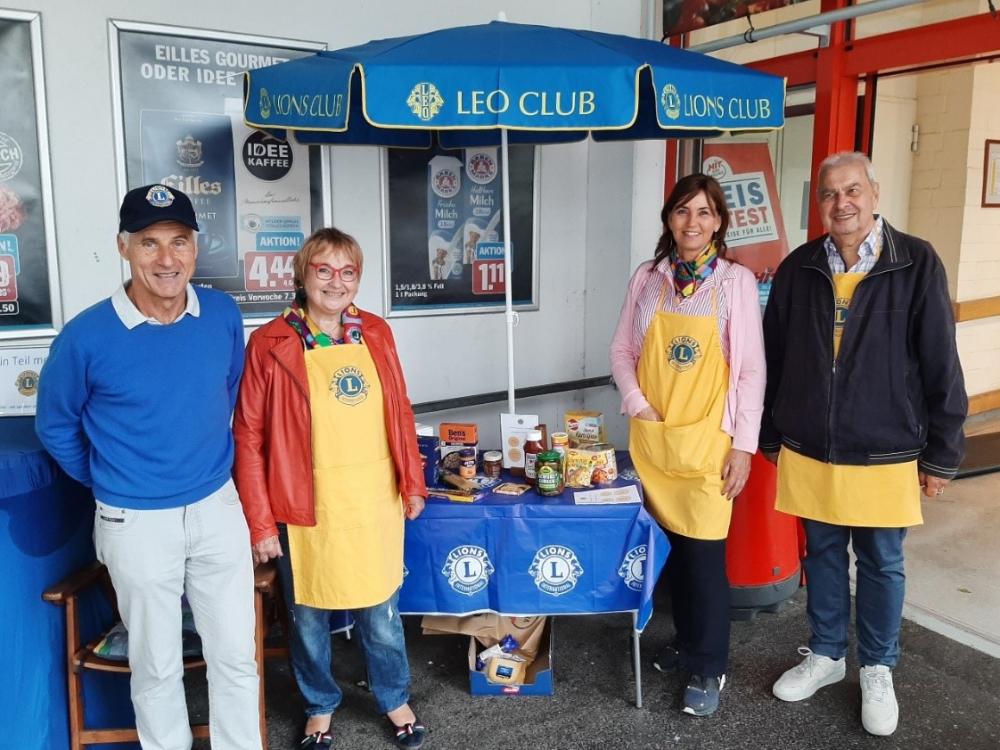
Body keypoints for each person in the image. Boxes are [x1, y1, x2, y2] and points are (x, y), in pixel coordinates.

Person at [35, 184, 260, 749]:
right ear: (123, 247)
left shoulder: (223, 315)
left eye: (178, 242)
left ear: (195, 247)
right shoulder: (86, 336)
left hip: (216, 506)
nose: (166, 259)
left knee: (235, 655)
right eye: (150, 243)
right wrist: (108, 477)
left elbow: (225, 390)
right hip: (133, 521)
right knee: (157, 666)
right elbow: (56, 425)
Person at [762, 152, 967, 736]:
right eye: (829, 194)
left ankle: (878, 667)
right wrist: (772, 433)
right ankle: (826, 654)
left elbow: (940, 364)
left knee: (880, 561)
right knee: (821, 555)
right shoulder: (799, 267)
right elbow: (776, 358)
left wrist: (943, 452)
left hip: (885, 447)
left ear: (874, 192)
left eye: (852, 190)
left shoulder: (916, 262)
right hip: (810, 445)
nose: (841, 203)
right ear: (819, 203)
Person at [233, 227, 428, 749]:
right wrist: (260, 523)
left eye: (348, 272)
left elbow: (400, 410)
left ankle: (394, 697)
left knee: (381, 612)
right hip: (305, 504)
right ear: (303, 274)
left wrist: (413, 481)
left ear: (358, 279)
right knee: (307, 617)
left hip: (373, 498)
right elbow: (247, 436)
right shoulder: (271, 342)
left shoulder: (377, 334)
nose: (335, 281)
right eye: (324, 269)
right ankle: (319, 704)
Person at [610, 173, 766, 716]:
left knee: (703, 558)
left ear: (719, 221)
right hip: (655, 441)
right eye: (682, 212)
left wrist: (743, 446)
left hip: (706, 446)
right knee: (670, 554)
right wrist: (638, 404)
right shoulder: (648, 278)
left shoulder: (734, 283)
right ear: (669, 220)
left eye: (703, 212)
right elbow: (623, 350)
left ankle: (710, 665)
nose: (692, 223)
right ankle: (683, 644)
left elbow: (750, 372)